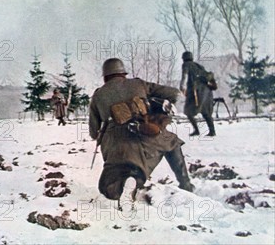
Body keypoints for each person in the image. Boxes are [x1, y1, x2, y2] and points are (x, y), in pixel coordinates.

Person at [89, 58, 194, 201]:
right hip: (143, 133)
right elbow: (174, 93)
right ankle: (186, 185)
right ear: (123, 73)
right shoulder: (139, 84)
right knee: (172, 141)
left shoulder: (97, 95)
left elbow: (93, 132)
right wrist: (153, 105)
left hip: (112, 145)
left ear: (106, 76)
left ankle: (120, 189)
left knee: (110, 183)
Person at [180, 51, 216, 136]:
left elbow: (184, 77)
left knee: (188, 111)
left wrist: (182, 88)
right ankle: (212, 131)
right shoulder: (199, 66)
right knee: (206, 112)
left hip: (196, 92)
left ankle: (196, 130)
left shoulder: (186, 65)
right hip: (207, 92)